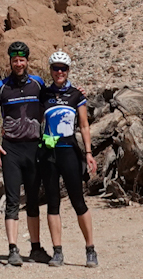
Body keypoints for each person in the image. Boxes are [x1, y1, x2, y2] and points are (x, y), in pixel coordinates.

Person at [37, 51, 99, 268]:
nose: (59, 72)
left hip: (70, 151)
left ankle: (90, 249)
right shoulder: (43, 94)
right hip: (49, 154)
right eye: (55, 68)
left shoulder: (76, 95)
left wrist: (89, 154)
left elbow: (83, 126)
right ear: (51, 70)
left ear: (69, 70)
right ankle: (57, 251)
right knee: (52, 202)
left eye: (63, 68)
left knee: (78, 201)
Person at [0, 41, 47, 266]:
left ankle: (36, 248)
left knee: (33, 200)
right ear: (10, 61)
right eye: (15, 60)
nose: (19, 63)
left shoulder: (38, 84)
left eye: (22, 60)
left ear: (27, 61)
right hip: (10, 149)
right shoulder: (1, 87)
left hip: (34, 148)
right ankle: (13, 249)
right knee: (12, 200)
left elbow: (52, 104)